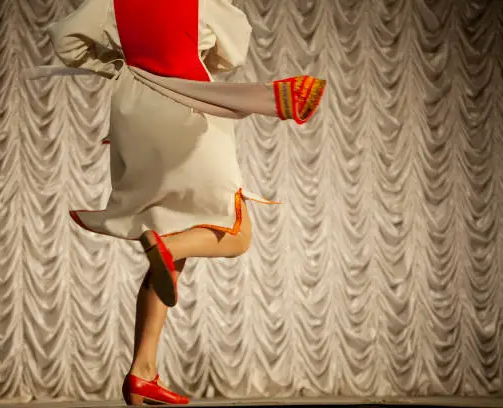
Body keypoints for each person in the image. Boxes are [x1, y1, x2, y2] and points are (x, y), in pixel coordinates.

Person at [29, 0, 325, 404]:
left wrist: (119, 64)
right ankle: (170, 250)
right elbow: (233, 53)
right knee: (235, 233)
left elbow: (68, 43)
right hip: (191, 109)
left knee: (167, 234)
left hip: (136, 116)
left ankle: (142, 372)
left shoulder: (110, 3)